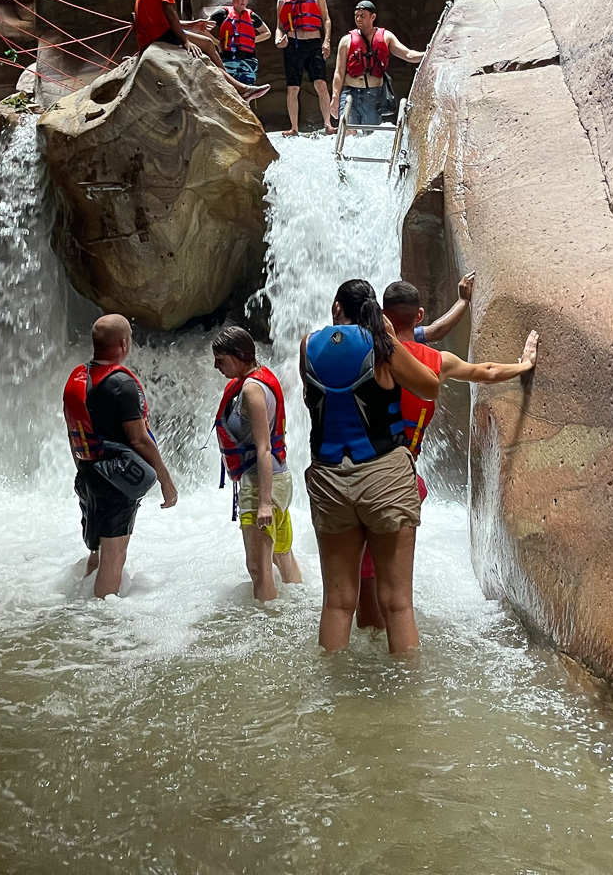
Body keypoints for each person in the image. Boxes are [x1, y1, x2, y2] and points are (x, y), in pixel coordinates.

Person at [352, 279, 539, 629]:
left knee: (363, 570)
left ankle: (366, 632)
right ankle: (389, 638)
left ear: (382, 315)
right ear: (418, 315)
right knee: (391, 576)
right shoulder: (436, 361)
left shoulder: (363, 352)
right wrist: (524, 366)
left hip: (356, 472)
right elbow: (487, 371)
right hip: (401, 478)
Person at [300, 279, 440, 654]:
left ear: (337, 308)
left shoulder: (307, 345)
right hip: (384, 476)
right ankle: (407, 687)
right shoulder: (381, 345)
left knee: (336, 602)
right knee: (397, 603)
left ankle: (329, 685)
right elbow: (430, 386)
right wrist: (389, 336)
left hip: (328, 477)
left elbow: (314, 398)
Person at [63, 314, 179, 597]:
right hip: (116, 481)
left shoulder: (77, 378)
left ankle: (79, 604)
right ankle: (101, 620)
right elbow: (139, 439)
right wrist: (165, 480)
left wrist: (85, 472)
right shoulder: (120, 384)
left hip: (88, 474)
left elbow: (73, 432)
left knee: (97, 551)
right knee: (114, 558)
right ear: (124, 344)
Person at [211, 326, 303, 600]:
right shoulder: (260, 379)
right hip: (279, 480)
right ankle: (298, 603)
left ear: (239, 355)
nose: (216, 366)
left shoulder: (251, 390)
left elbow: (263, 448)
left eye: (221, 360)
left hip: (262, 485)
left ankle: (267, 624)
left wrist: (263, 502)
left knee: (258, 568)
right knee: (282, 555)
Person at [134, 0, 269, 102]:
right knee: (206, 48)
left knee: (208, 44)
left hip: (157, 30)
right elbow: (169, 10)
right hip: (156, 34)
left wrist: (192, 25)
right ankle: (239, 88)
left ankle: (234, 86)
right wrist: (185, 41)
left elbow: (165, 19)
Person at [329, 0, 423, 131]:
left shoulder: (386, 37)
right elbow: (339, 72)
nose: (358, 19)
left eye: (363, 15)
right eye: (356, 15)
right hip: (350, 92)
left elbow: (408, 54)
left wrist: (427, 54)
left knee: (370, 134)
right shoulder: (346, 41)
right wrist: (335, 97)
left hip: (373, 94)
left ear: (373, 17)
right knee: (348, 132)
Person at [274, 0, 333, 136]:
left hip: (313, 44)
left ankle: (328, 124)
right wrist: (278, 40)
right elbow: (279, 27)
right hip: (293, 45)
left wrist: (327, 41)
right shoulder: (282, 0)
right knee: (293, 88)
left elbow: (326, 19)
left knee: (321, 84)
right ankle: (294, 128)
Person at [207, 0, 271, 89]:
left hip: (248, 59)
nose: (243, 1)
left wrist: (251, 40)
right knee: (228, 88)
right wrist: (217, 43)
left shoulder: (252, 16)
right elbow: (202, 28)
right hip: (227, 58)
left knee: (248, 89)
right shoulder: (223, 13)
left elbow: (267, 33)